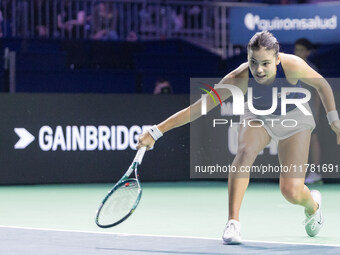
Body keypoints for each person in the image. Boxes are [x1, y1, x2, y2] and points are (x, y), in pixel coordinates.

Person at [137, 31, 340, 244]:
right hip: (259, 115)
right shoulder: (238, 78)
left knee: (291, 191)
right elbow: (199, 109)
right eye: (253, 62)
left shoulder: (293, 65)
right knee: (244, 152)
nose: (259, 70)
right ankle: (233, 222)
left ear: (277, 59)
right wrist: (156, 131)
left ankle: (312, 205)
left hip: (295, 117)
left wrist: (333, 118)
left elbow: (323, 85)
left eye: (265, 63)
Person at [294, 38, 322, 184]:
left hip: (308, 111)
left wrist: (315, 111)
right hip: (292, 111)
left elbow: (318, 91)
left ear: (308, 52)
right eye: (296, 49)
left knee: (312, 139)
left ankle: (315, 173)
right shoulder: (289, 69)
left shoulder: (311, 69)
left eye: (301, 50)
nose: (298, 53)